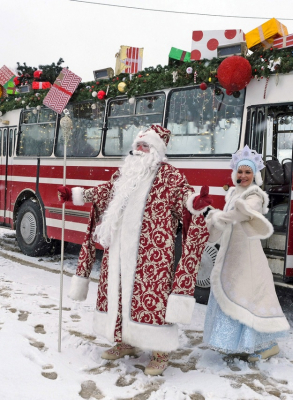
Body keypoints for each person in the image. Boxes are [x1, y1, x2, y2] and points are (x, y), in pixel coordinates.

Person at [57, 125, 212, 376]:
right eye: (137, 145)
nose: (139, 150)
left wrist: (195, 203)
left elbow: (184, 196)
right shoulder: (124, 175)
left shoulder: (170, 176)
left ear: (156, 151)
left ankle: (160, 352)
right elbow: (104, 192)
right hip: (118, 250)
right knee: (118, 295)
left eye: (145, 146)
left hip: (152, 254)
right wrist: (78, 194)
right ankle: (125, 341)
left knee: (153, 300)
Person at [203, 145, 290, 362]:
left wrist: (222, 216)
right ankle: (236, 344)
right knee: (230, 293)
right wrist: (214, 218)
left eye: (248, 172)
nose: (243, 176)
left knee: (248, 297)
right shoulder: (233, 192)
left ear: (255, 175)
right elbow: (228, 217)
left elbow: (246, 212)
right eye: (240, 172)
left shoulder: (256, 194)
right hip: (230, 253)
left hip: (247, 256)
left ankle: (266, 345)